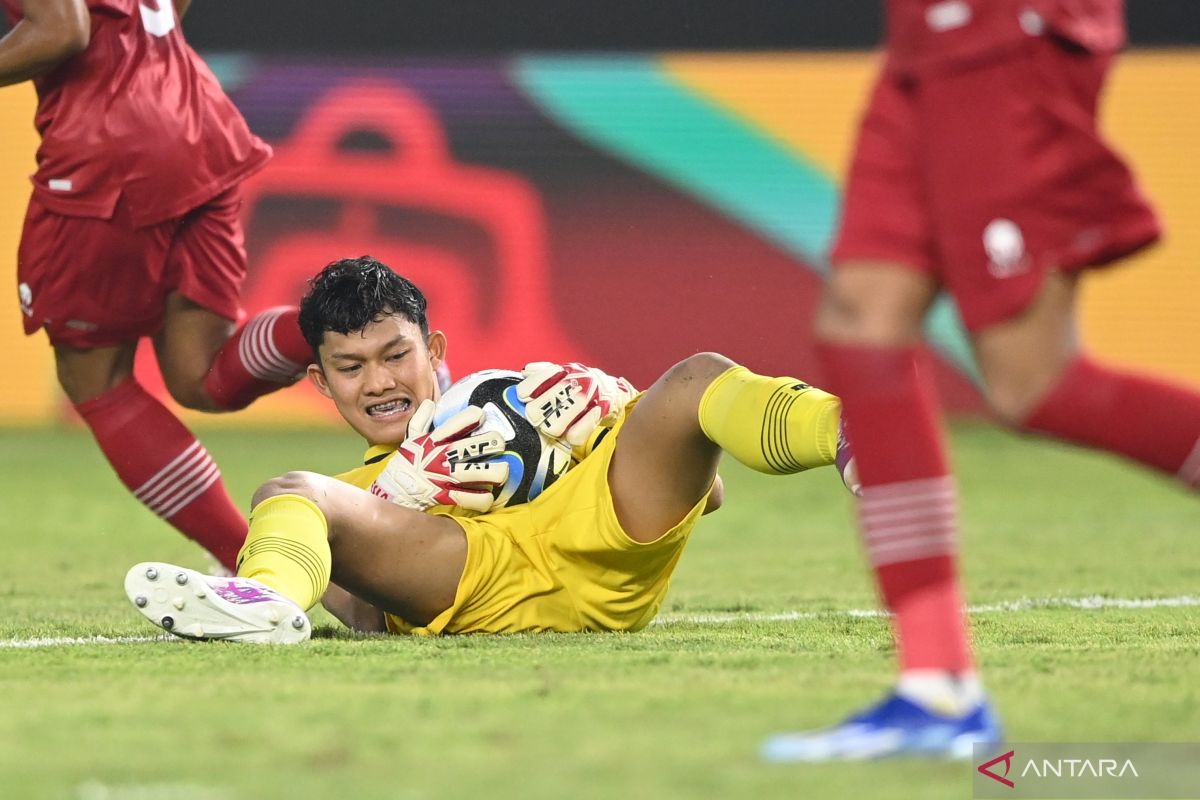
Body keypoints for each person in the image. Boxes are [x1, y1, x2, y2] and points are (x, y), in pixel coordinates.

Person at [762, 0, 1200, 762]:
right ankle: (938, 690)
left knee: (1036, 383)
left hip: (1007, 30)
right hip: (924, 39)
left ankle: (941, 689)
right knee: (861, 320)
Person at [123, 255, 850, 643]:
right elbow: (374, 620)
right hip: (473, 580)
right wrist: (407, 500)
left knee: (699, 376)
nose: (379, 382)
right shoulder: (350, 498)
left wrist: (601, 419)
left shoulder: (523, 398)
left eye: (396, 353)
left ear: (432, 347)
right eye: (350, 367)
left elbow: (708, 492)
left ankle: (857, 440)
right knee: (289, 491)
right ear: (319, 380)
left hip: (605, 542)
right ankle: (265, 602)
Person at [1, 0, 315, 569]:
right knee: (201, 375)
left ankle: (250, 562)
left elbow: (62, 30)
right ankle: (344, 320)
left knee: (94, 378)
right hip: (196, 118)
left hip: (109, 146)